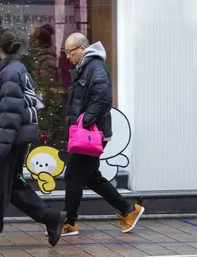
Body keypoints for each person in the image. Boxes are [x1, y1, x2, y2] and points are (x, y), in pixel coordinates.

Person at [0, 28, 65, 252]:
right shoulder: (17, 68)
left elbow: (10, 113)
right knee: (12, 186)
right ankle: (51, 218)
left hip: (8, 140)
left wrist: (0, 146)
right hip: (14, 139)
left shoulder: (10, 72)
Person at [62, 33, 144, 236]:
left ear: (82, 48)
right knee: (90, 177)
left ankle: (69, 222)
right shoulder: (86, 68)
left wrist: (85, 122)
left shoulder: (95, 67)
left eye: (69, 52)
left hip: (92, 135)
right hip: (89, 134)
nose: (67, 57)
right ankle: (128, 210)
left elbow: (103, 98)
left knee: (73, 175)